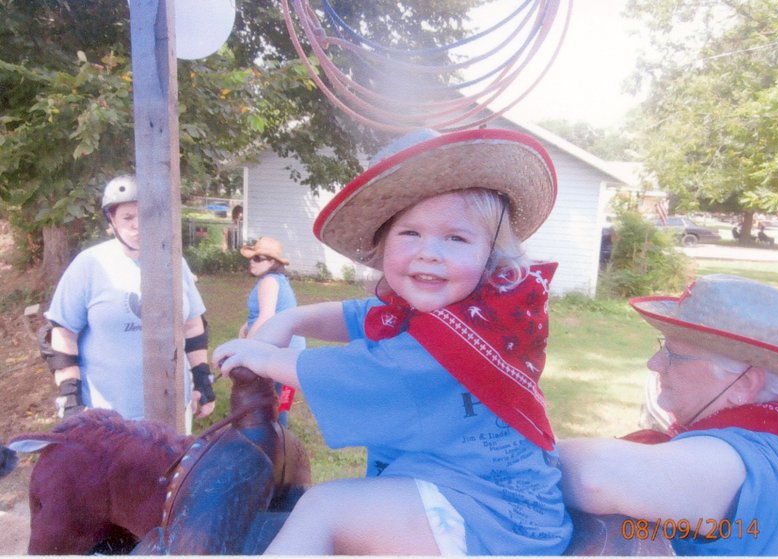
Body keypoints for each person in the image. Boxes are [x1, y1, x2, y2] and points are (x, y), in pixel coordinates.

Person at [213, 128, 571, 555]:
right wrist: (292, 318)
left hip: (493, 517)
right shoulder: (447, 314)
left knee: (324, 508)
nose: (429, 252)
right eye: (410, 234)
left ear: (489, 254)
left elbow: (363, 373)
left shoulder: (456, 342)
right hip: (463, 488)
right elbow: (357, 316)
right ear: (383, 245)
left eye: (455, 238)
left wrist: (266, 358)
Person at [558, 274, 778, 556]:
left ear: (743, 385)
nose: (655, 363)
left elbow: (594, 476)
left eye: (674, 355)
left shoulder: (741, 457)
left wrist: (519, 454)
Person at [43, 174, 216, 426]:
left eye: (144, 215)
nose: (137, 225)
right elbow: (63, 334)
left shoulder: (175, 262)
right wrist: (70, 399)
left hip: (173, 409)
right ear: (111, 220)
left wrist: (202, 379)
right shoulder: (89, 264)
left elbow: (192, 326)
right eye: (127, 217)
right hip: (109, 416)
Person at [239, 236, 306, 424]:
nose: (252, 262)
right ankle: (274, 439)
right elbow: (261, 314)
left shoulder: (269, 282)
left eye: (258, 258)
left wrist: (244, 348)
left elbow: (265, 316)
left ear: (272, 262)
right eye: (251, 258)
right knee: (275, 403)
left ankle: (275, 444)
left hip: (279, 351)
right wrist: (245, 329)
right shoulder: (276, 280)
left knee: (274, 407)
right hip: (283, 349)